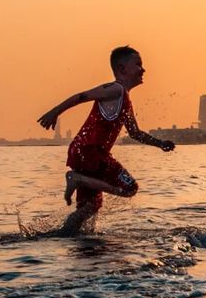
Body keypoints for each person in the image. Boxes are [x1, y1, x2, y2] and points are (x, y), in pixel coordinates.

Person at [37, 46, 175, 235]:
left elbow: (135, 132)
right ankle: (76, 179)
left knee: (89, 208)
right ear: (122, 68)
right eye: (138, 65)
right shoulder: (115, 89)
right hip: (91, 152)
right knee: (129, 188)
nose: (143, 70)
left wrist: (160, 144)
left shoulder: (124, 98)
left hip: (84, 153)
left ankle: (66, 237)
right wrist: (55, 112)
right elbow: (81, 97)